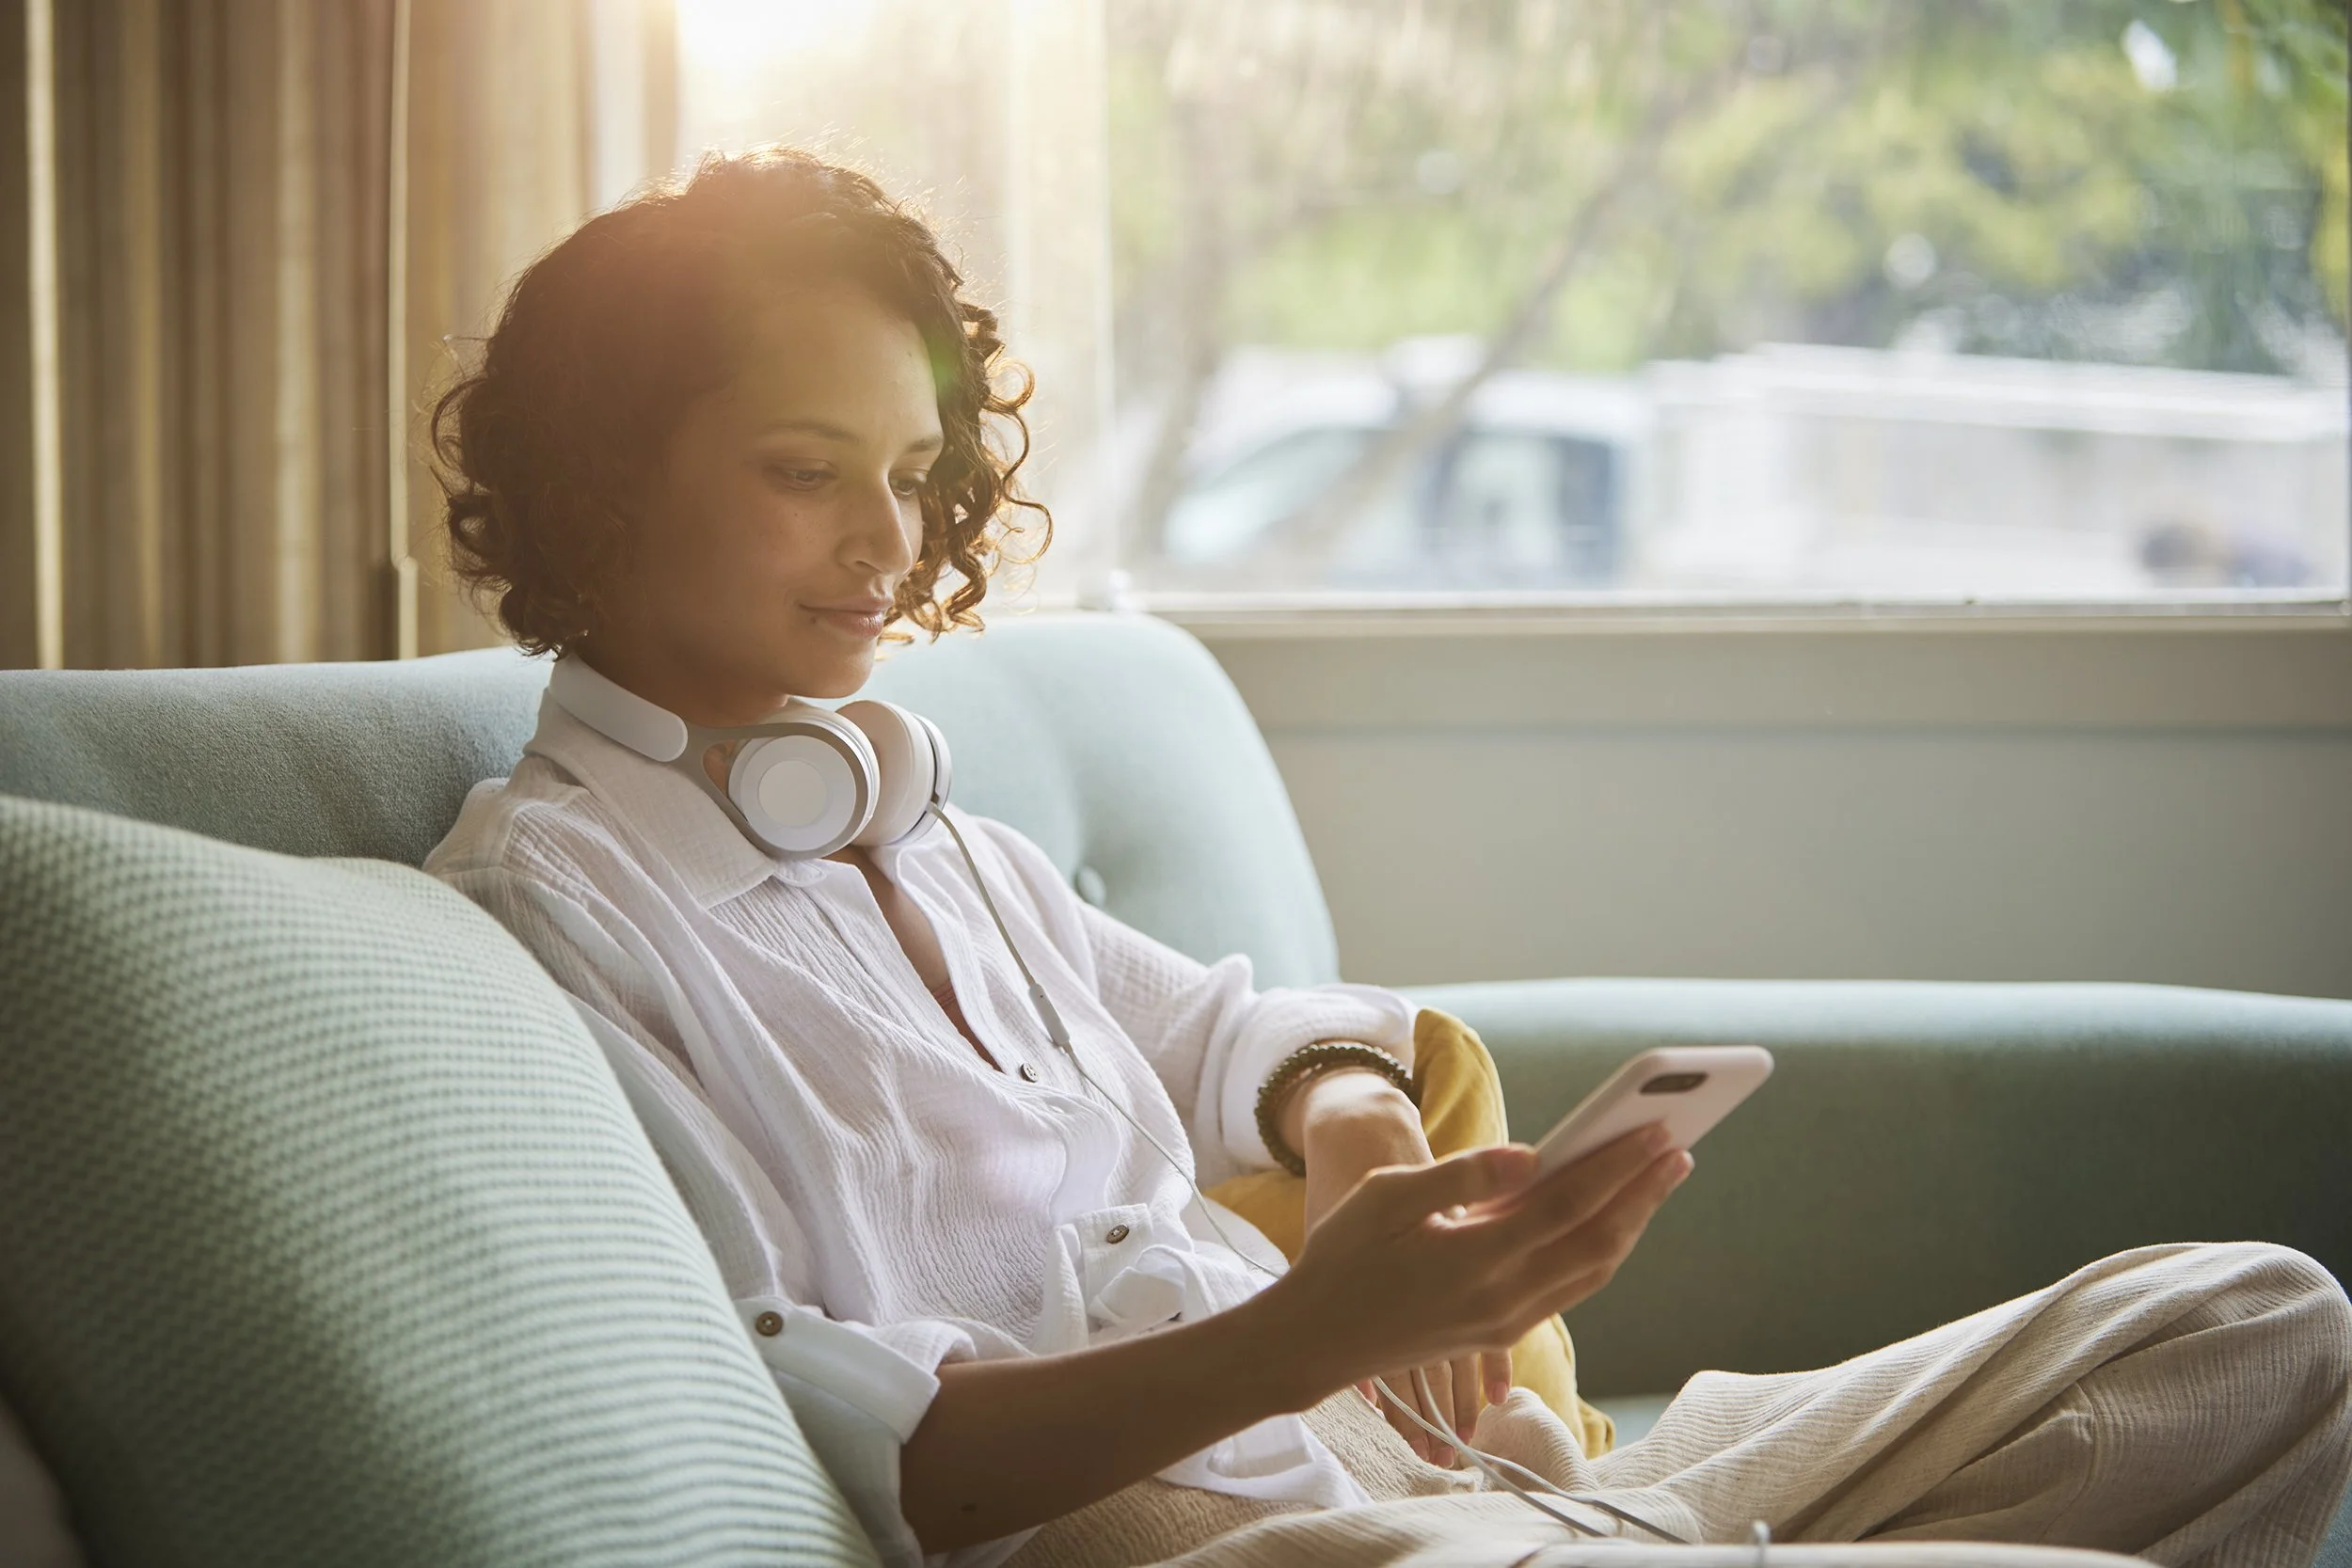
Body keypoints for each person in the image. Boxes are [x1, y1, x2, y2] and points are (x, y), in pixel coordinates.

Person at [424, 148, 2352, 1568]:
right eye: (801, 466)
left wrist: (1353, 1125)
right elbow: (889, 1450)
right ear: (603, 468)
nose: (884, 538)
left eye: (915, 473)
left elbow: (1237, 1031)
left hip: (1440, 1472)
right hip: (1204, 1539)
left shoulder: (927, 831)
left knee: (2254, 1323)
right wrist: (1313, 1327)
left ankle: (1630, 1538)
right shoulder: (560, 899)